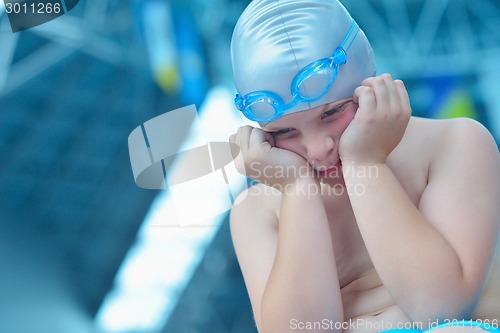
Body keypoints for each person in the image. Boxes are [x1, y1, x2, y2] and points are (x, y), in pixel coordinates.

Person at [228, 0, 500, 333]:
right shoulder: (257, 210)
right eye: (284, 132)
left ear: (371, 85)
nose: (319, 148)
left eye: (332, 113)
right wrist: (297, 189)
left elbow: (440, 310)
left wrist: (366, 162)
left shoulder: (455, 143)